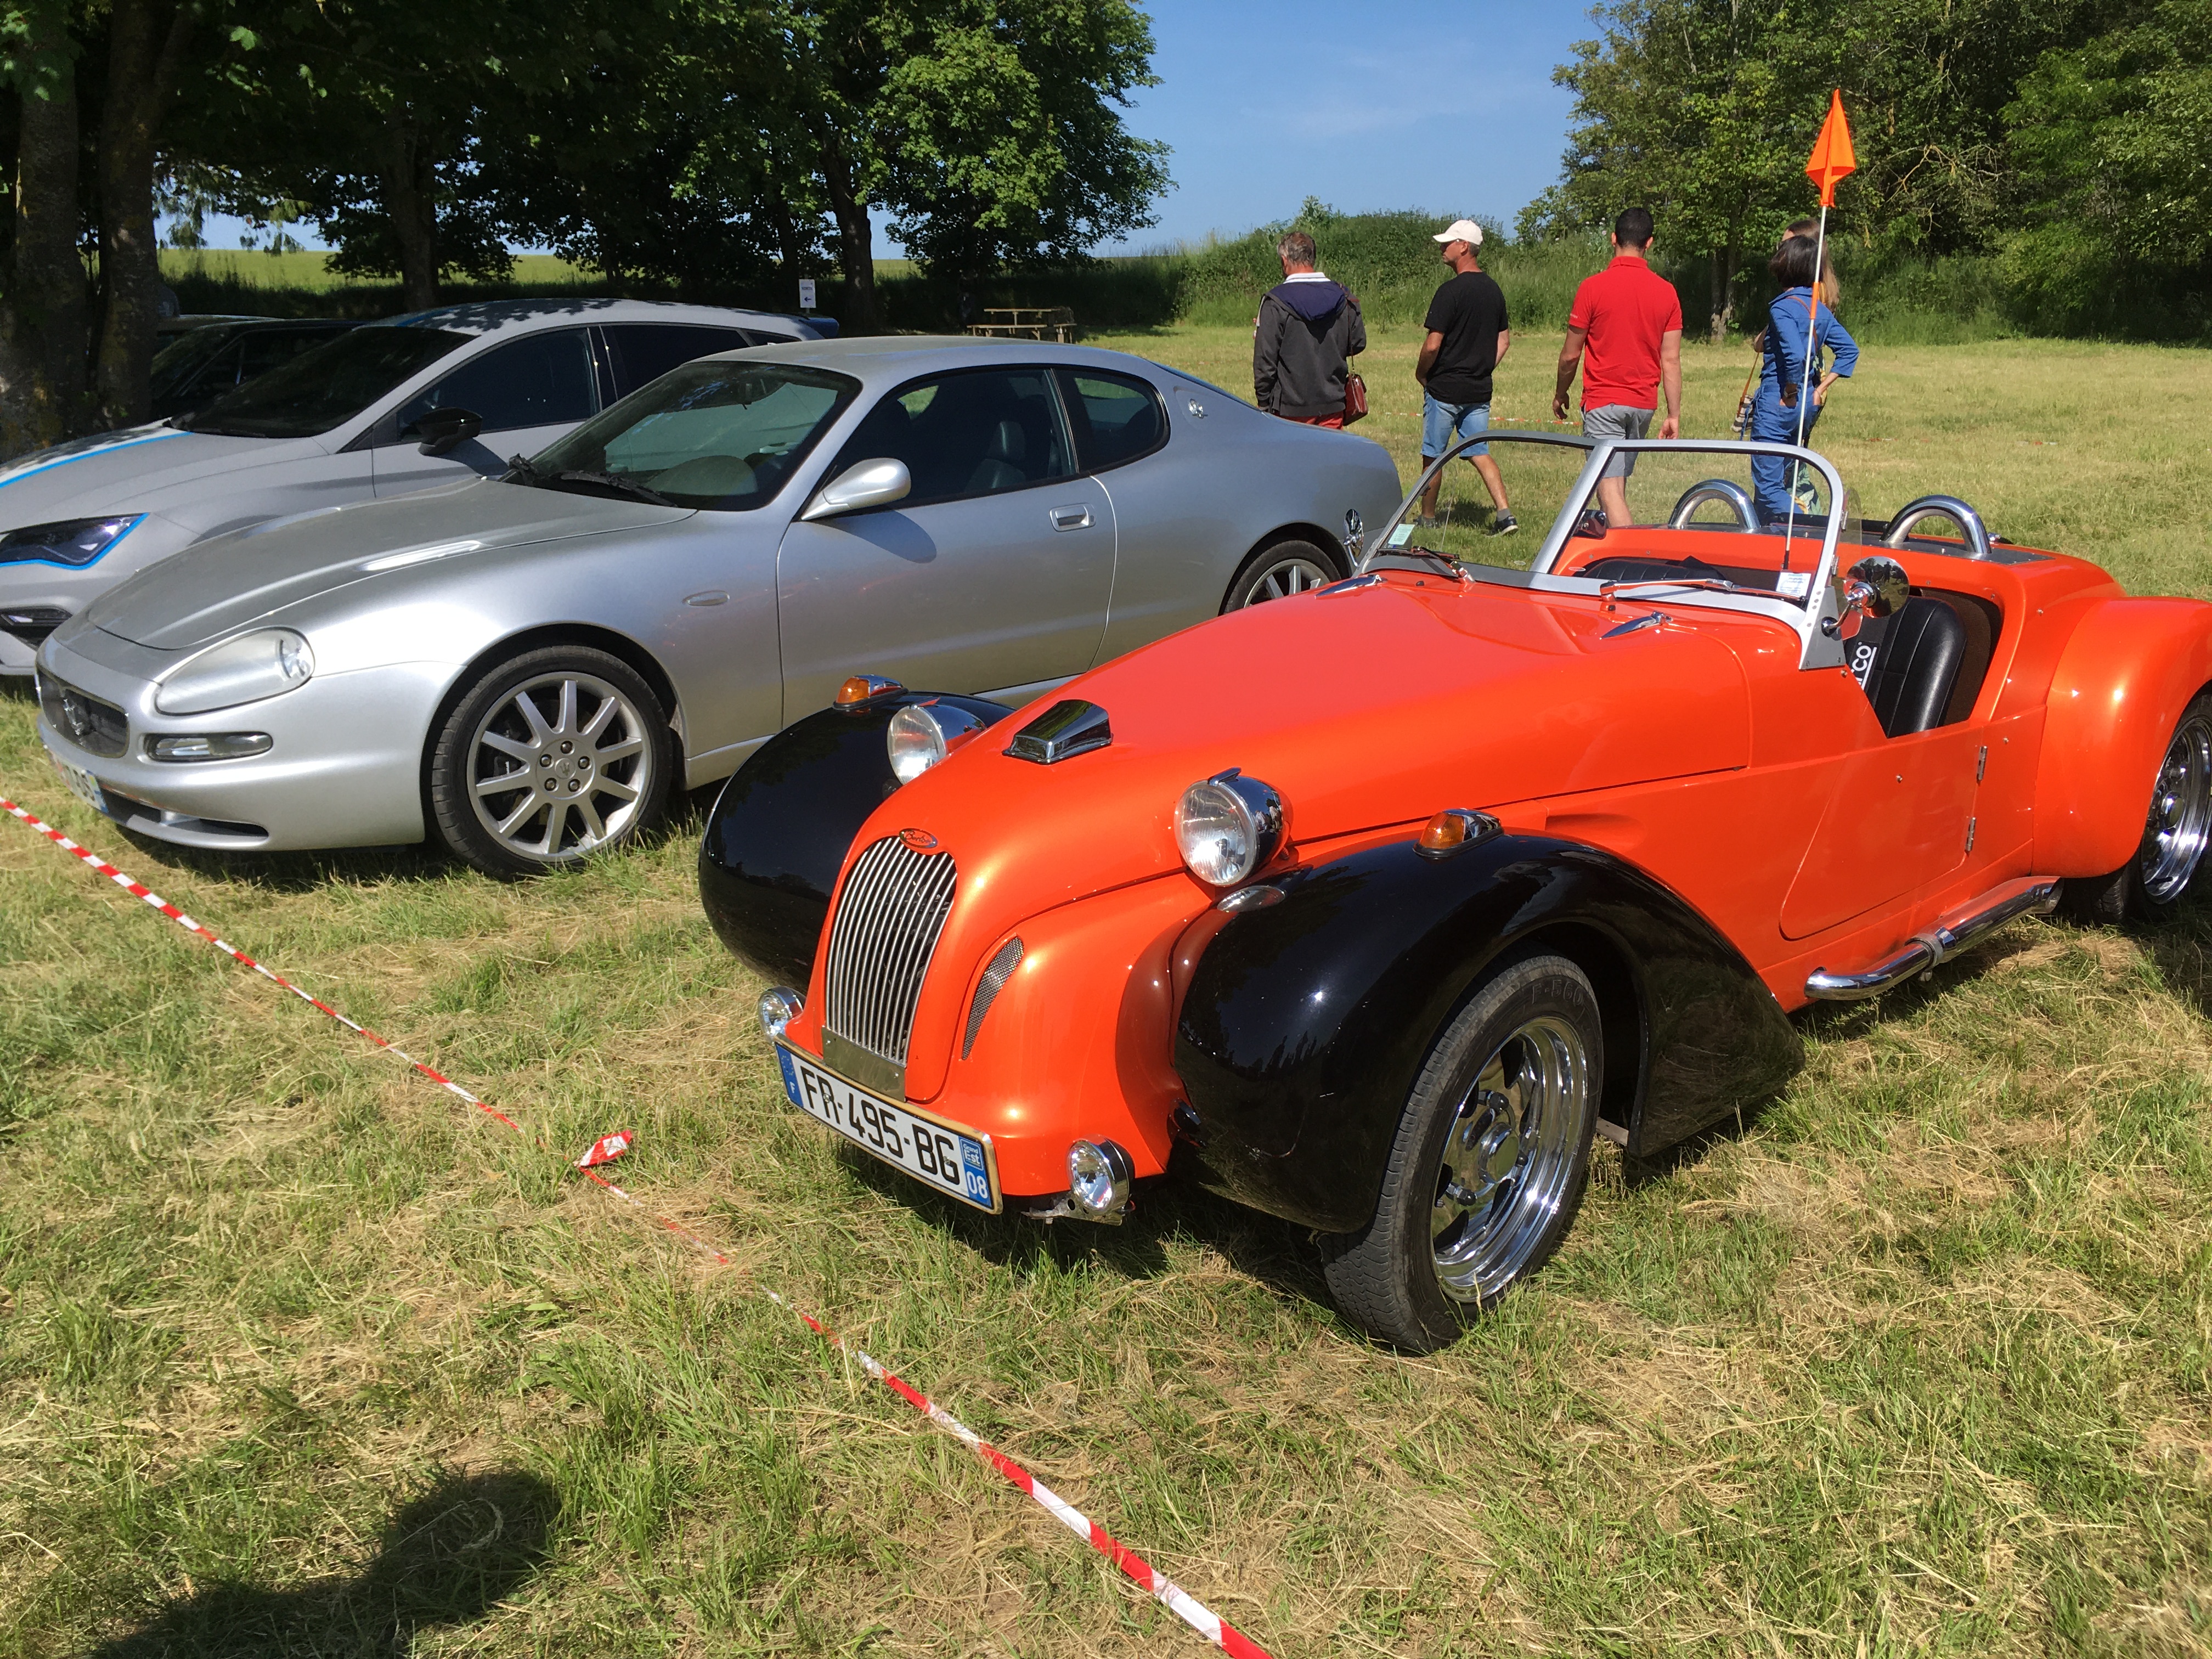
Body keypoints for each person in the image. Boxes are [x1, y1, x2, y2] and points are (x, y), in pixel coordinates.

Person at [1551, 207, 1683, 528]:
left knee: (1608, 491)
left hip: (1604, 402)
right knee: (1616, 486)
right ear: (1649, 243)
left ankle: (1633, 552)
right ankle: (1614, 551)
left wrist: (1561, 392)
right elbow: (1670, 359)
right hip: (1643, 405)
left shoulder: (1592, 287)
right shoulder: (1667, 292)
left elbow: (1570, 355)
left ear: (1613, 238)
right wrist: (1674, 414)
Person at [1748, 232, 1859, 524]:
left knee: (1769, 488)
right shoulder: (1818, 309)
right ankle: (1771, 533)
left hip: (1779, 403)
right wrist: (1819, 390)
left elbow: (1796, 355)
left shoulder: (1782, 307)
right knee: (1783, 479)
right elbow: (1849, 351)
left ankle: (1814, 529)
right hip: (1806, 405)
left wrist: (1790, 390)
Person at [1414, 218, 1516, 534]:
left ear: (1464, 247)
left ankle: (1427, 518)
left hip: (1445, 390)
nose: (1442, 248)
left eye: (1448, 243)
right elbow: (1504, 341)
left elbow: (1433, 345)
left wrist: (1422, 373)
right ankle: (1505, 515)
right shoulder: (1494, 290)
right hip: (1478, 391)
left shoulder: (1449, 292)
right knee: (1479, 452)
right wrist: (1482, 368)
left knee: (1433, 456)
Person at [1252, 230, 1365, 427]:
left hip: (1289, 409)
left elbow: (1265, 362)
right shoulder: (1344, 296)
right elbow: (1357, 343)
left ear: (1284, 260)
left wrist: (1264, 403)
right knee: (1330, 449)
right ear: (1313, 257)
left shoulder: (1274, 302)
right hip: (1333, 405)